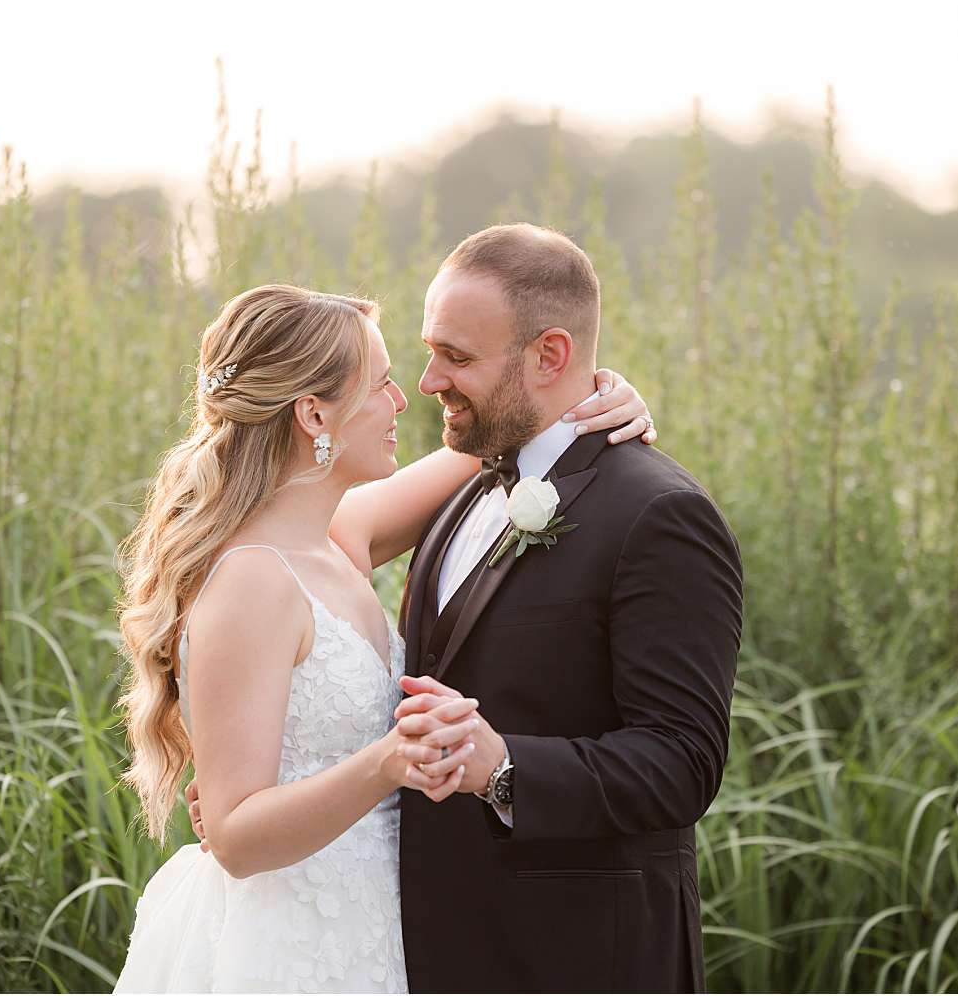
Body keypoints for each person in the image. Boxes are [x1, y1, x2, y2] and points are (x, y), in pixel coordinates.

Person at [112, 283, 655, 992]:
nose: (404, 401)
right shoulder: (253, 579)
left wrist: (597, 396)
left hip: (383, 925)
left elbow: (495, 439)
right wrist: (386, 763)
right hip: (295, 944)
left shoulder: (338, 538)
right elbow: (237, 835)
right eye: (382, 383)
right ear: (314, 413)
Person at [386, 224, 744, 992]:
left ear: (550, 354)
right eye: (430, 349)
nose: (427, 380)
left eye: (456, 356)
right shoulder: (464, 490)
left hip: (581, 960)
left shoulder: (660, 514)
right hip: (433, 948)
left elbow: (683, 762)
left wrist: (504, 767)